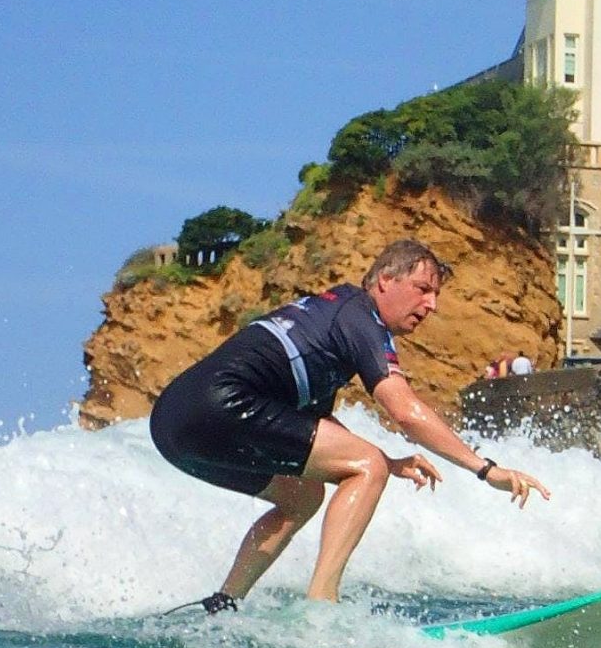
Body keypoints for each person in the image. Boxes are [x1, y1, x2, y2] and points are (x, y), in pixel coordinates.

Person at [149, 238, 551, 612]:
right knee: (365, 466)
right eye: (422, 289)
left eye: (436, 295)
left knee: (303, 496)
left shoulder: (329, 317)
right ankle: (323, 605)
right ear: (385, 281)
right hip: (220, 405)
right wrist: (486, 469)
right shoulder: (360, 316)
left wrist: (389, 463)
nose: (431, 305)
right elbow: (406, 412)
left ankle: (223, 605)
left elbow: (314, 424)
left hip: (174, 427)